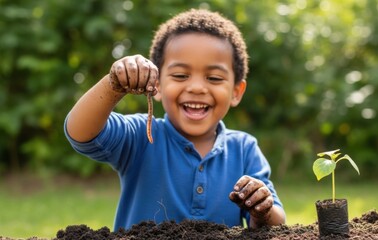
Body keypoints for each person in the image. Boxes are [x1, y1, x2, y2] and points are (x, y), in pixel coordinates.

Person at [64, 8, 285, 230]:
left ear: (236, 91)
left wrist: (261, 208)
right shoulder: (140, 136)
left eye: (214, 78)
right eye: (180, 75)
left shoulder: (244, 149)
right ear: (156, 84)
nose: (197, 87)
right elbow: (80, 133)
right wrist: (113, 85)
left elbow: (276, 223)